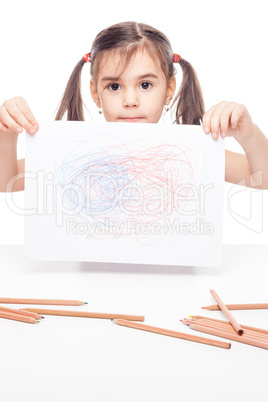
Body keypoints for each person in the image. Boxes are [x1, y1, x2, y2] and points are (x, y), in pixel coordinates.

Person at [0, 21, 268, 192]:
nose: (130, 101)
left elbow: (262, 180)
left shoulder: (194, 151)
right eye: (114, 87)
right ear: (96, 92)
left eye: (145, 85)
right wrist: (6, 133)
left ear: (169, 90)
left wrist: (249, 134)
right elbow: (6, 183)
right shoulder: (72, 152)